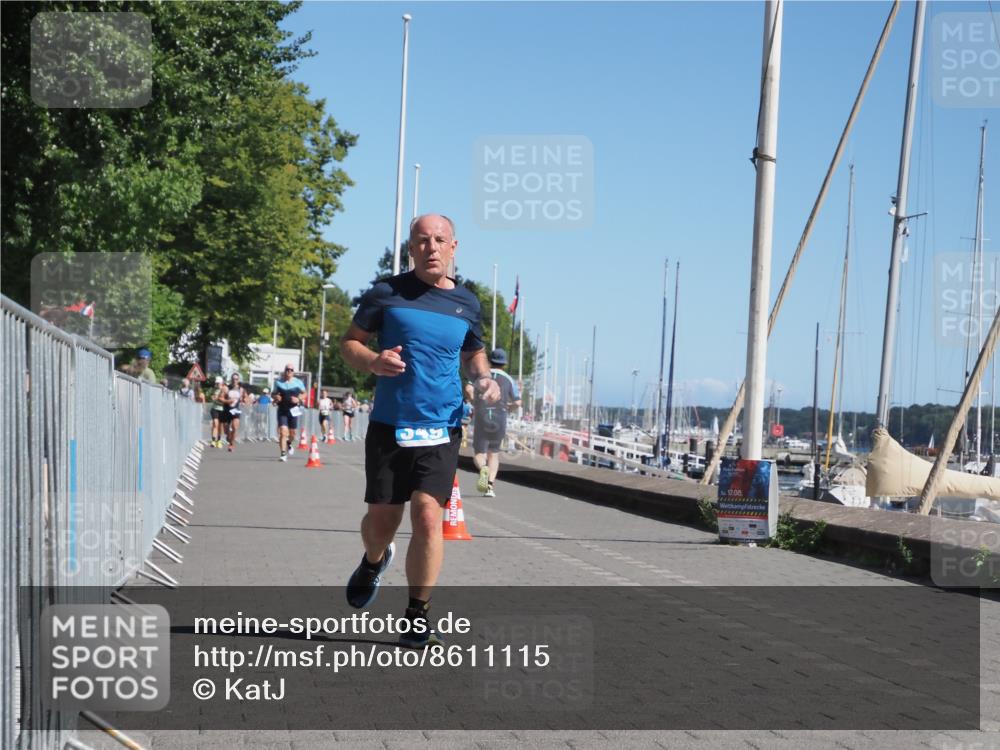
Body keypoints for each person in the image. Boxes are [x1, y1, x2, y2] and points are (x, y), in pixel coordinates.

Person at [340, 214, 500, 649]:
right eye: (422, 240)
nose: (431, 247)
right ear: (411, 248)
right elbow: (349, 343)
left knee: (429, 516)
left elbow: (475, 354)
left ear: (454, 247)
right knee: (382, 522)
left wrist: (483, 379)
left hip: (443, 426)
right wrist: (373, 361)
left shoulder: (467, 302)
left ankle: (416, 614)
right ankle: (373, 561)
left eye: (439, 240)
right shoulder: (386, 293)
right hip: (391, 425)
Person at [472, 348, 522, 498]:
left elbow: (468, 389)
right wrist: (508, 408)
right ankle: (490, 487)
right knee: (494, 453)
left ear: (489, 361)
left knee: (479, 453)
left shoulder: (481, 376)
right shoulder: (508, 379)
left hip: (482, 415)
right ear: (504, 364)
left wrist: (475, 402)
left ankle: (483, 468)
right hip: (500, 417)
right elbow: (518, 402)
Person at [271, 365, 306, 462]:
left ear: (293, 372)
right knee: (283, 432)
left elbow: (305, 393)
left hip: (293, 410)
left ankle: (289, 443)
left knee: (292, 433)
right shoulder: (278, 382)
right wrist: (275, 397)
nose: (289, 371)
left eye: (291, 370)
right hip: (282, 409)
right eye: (287, 369)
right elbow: (273, 393)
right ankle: (283, 454)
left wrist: (298, 399)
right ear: (284, 371)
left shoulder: (298, 382)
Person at [224, 372, 245, 452]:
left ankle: (231, 444)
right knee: (226, 430)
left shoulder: (241, 389)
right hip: (227, 410)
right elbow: (221, 398)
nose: (234, 380)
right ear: (231, 379)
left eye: (236, 379)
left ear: (238, 380)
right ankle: (229, 437)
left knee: (235, 427)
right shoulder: (226, 388)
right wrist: (227, 401)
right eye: (233, 379)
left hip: (236, 410)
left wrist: (243, 401)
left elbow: (244, 398)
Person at [209, 376, 227, 448]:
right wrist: (215, 399)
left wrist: (219, 399)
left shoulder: (225, 389)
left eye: (218, 383)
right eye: (216, 383)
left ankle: (219, 440)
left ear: (222, 383)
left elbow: (225, 400)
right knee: (215, 424)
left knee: (220, 426)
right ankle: (213, 440)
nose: (217, 384)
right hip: (215, 408)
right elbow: (213, 398)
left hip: (222, 409)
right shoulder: (214, 389)